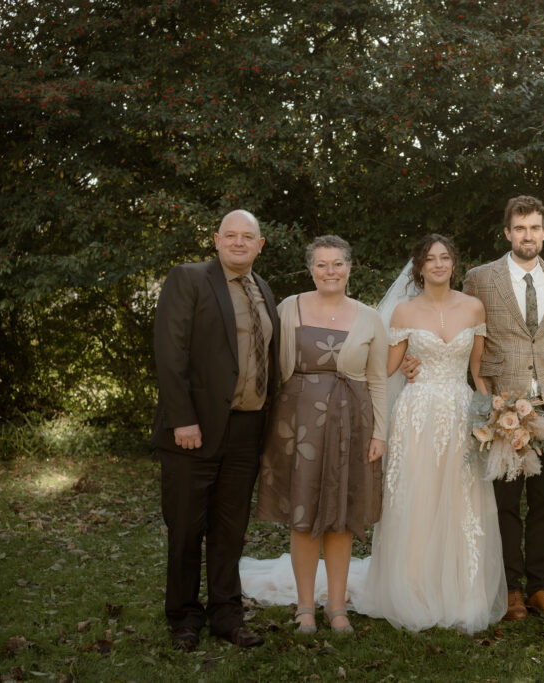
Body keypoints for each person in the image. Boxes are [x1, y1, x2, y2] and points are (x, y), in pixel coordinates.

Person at [351, 234, 507, 633]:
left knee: (459, 499)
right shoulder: (403, 311)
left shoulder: (474, 308)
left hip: (458, 412)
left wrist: (491, 419)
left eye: (445, 258)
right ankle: (413, 589)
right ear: (419, 267)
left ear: (454, 264)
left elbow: (477, 372)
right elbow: (385, 368)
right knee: (416, 498)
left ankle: (459, 593)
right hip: (416, 415)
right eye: (430, 259)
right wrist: (396, 366)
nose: (438, 264)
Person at [152, 209, 277, 651]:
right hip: (194, 429)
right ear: (217, 240)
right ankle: (184, 616)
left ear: (260, 245)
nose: (239, 242)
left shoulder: (263, 289)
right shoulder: (189, 279)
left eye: (248, 236)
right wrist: (182, 418)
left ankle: (227, 614)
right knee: (186, 526)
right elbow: (170, 353)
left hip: (246, 428)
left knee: (230, 528)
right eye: (231, 235)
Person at [252, 235, 388, 635]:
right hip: (297, 425)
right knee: (303, 516)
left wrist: (380, 431)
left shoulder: (369, 317)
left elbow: (378, 380)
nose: (330, 271)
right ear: (310, 269)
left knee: (341, 519)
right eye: (322, 264)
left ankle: (338, 608)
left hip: (353, 424)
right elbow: (266, 367)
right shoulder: (287, 308)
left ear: (350, 267)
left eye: (337, 264)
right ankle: (306, 608)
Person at [462, 195, 544, 621]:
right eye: (519, 228)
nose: (528, 235)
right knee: (504, 501)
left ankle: (541, 588)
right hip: (501, 404)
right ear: (507, 233)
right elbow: (463, 331)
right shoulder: (480, 279)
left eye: (535, 228)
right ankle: (509, 590)